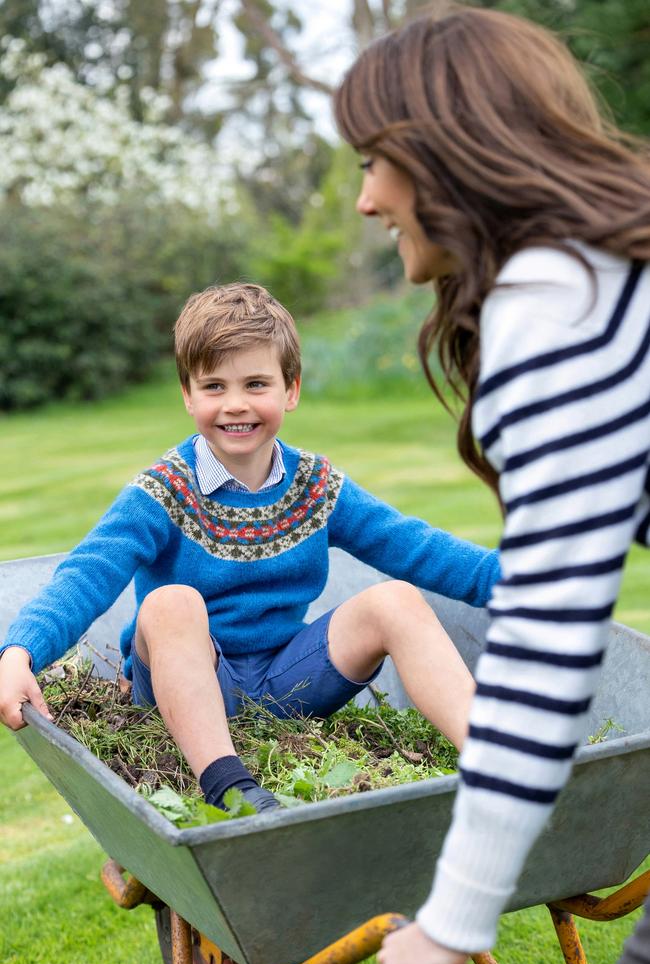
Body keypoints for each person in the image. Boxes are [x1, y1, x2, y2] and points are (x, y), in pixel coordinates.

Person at [334, 4, 650, 964]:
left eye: (370, 163)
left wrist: (452, 917)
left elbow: (549, 640)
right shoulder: (603, 272)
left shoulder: (551, 313)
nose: (363, 201)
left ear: (439, 157)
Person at [0, 281, 499, 820]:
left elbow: (417, 548)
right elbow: (88, 572)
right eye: (214, 386)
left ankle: (496, 764)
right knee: (171, 603)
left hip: (287, 681)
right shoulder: (163, 490)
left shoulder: (317, 484)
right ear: (188, 395)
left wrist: (533, 583)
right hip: (185, 686)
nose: (235, 404)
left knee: (395, 599)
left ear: (291, 389)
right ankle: (229, 787)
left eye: (256, 383)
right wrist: (20, 651)